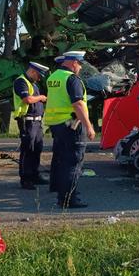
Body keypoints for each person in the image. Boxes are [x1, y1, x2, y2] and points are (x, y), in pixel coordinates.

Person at [45, 51, 96, 208]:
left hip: (57, 125)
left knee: (61, 161)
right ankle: (69, 199)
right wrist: (89, 126)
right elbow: (78, 104)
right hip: (71, 126)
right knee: (73, 162)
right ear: (74, 62)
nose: (80, 68)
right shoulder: (72, 78)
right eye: (80, 64)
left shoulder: (53, 77)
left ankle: (62, 194)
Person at [13, 61, 50, 189]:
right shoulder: (21, 81)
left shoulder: (33, 83)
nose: (39, 78)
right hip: (27, 121)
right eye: (39, 75)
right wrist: (41, 97)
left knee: (37, 148)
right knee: (28, 149)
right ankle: (26, 178)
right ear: (33, 71)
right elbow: (27, 99)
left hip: (37, 121)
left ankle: (35, 174)